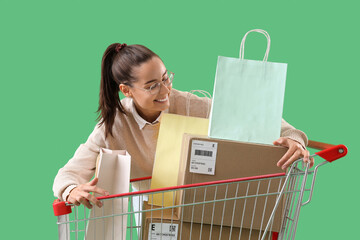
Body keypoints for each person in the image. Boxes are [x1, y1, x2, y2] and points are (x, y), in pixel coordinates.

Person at [53, 43, 312, 209]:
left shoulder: (188, 105)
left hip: (203, 206)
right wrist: (71, 189)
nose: (166, 90)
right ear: (126, 91)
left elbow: (252, 116)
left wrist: (293, 137)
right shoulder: (114, 126)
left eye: (166, 78)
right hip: (150, 213)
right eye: (152, 85)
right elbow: (68, 173)